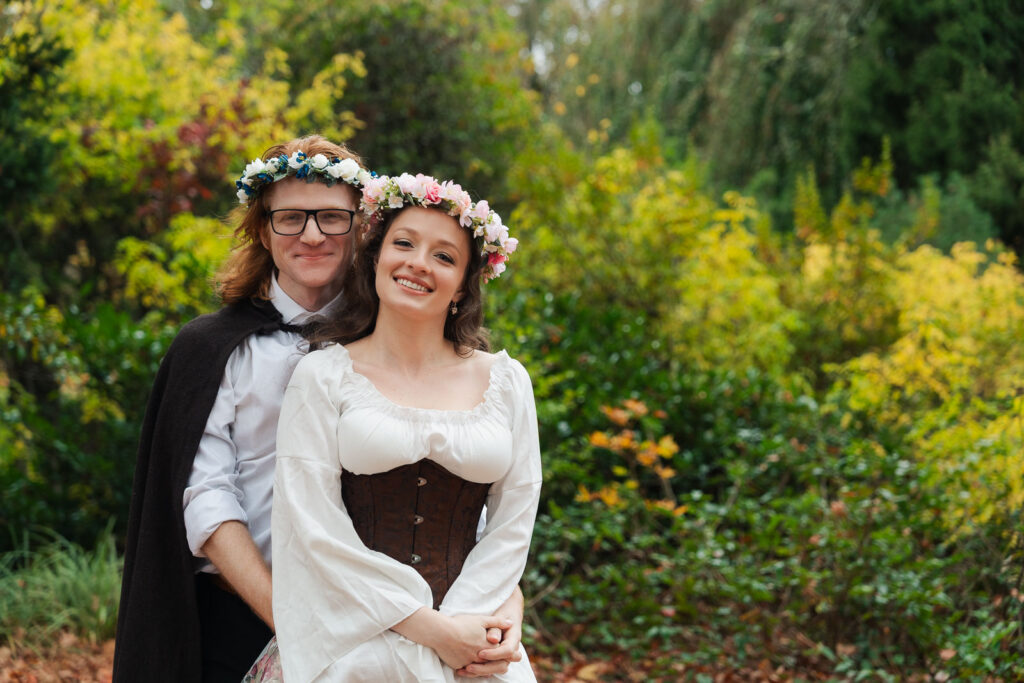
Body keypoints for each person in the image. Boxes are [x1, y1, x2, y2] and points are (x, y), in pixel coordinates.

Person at [112, 137, 525, 682]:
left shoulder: (399, 344)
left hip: (402, 626)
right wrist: (294, 620)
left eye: (332, 217)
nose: (311, 235)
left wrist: (500, 606)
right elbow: (207, 499)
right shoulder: (213, 348)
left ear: (362, 230)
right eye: (290, 218)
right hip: (242, 610)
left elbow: (455, 490)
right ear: (264, 229)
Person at [247, 172, 539, 682]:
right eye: (404, 243)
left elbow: (513, 525)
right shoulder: (322, 376)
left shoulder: (508, 383)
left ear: (462, 287)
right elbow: (313, 529)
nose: (418, 263)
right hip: (351, 646)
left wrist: (469, 632)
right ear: (376, 259)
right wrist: (430, 631)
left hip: (475, 647)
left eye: (445, 256)